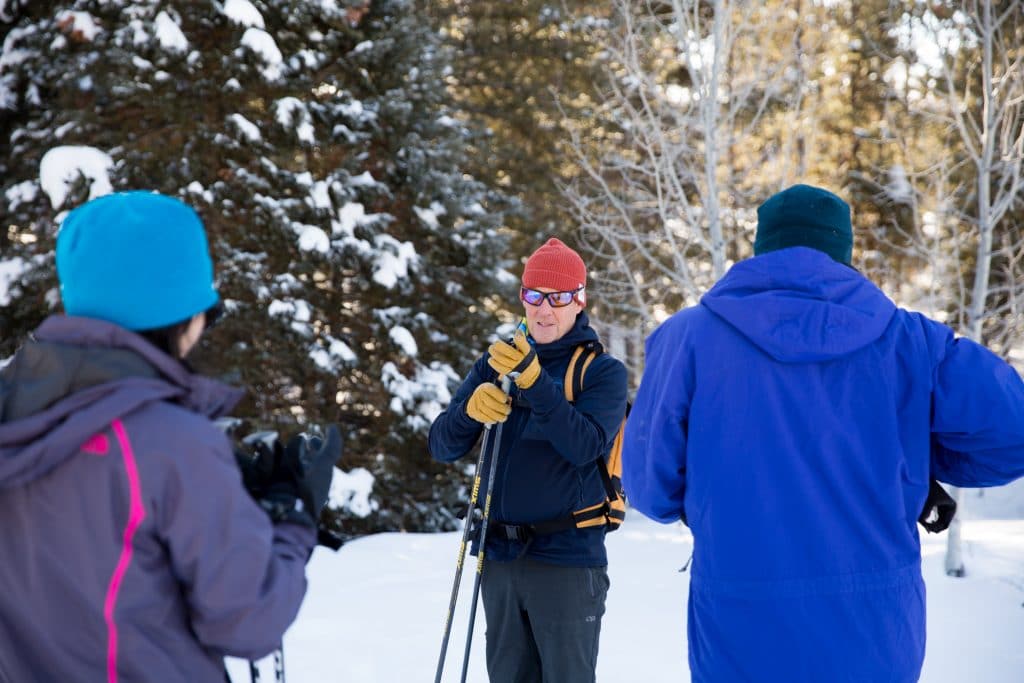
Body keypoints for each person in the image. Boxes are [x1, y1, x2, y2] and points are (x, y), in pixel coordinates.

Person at [621, 183, 1024, 682]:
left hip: (741, 632)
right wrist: (915, 459)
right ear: (843, 253)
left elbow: (648, 486)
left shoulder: (691, 338)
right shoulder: (910, 341)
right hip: (874, 636)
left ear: (762, 248)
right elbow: (1012, 436)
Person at [0, 191, 338, 682]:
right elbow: (248, 620)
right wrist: (294, 518)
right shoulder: (170, 442)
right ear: (182, 311)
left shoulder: (15, 417)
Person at [429, 238, 628, 683]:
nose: (544, 310)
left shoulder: (601, 372)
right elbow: (441, 445)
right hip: (499, 560)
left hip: (568, 561)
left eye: (557, 298)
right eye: (534, 296)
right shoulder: (496, 364)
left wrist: (537, 385)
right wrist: (469, 412)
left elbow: (585, 446)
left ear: (578, 299)